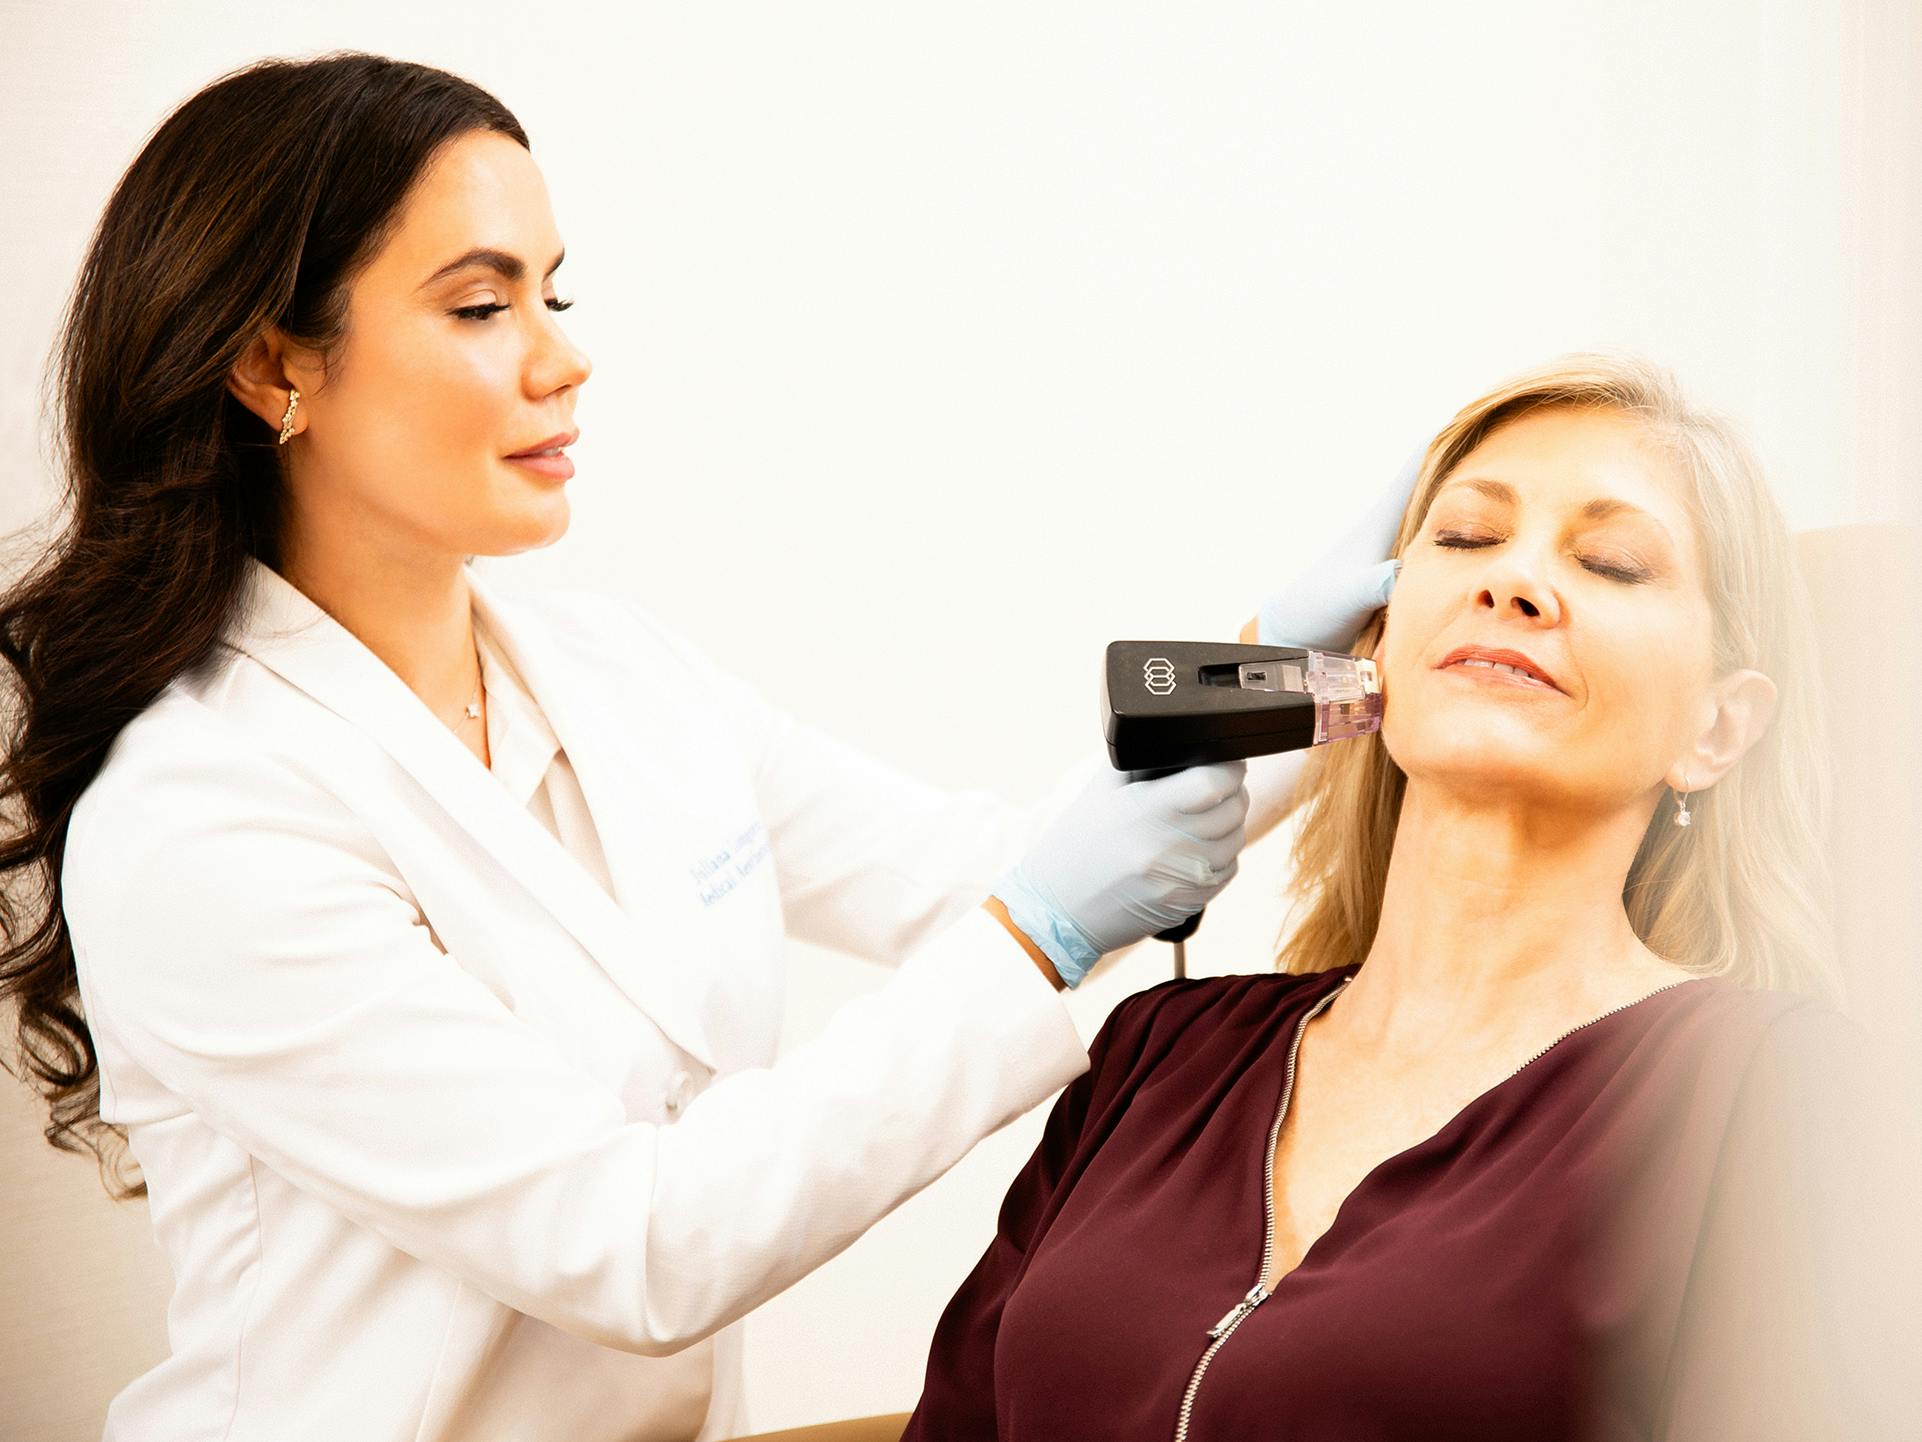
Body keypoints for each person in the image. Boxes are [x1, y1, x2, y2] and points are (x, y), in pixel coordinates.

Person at [0, 53, 1403, 1442]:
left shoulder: (614, 679)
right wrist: (1039, 929)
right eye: (483, 304)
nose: (565, 355)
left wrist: (1305, 678)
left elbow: (970, 874)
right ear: (270, 363)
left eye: (553, 293)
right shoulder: (203, 818)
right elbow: (636, 1241)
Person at [902, 354, 1897, 1441]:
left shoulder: (1763, 1089)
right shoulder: (1159, 1048)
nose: (1510, 580)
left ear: (1715, 728)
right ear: (1368, 658)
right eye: (1465, 536)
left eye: (1609, 561)